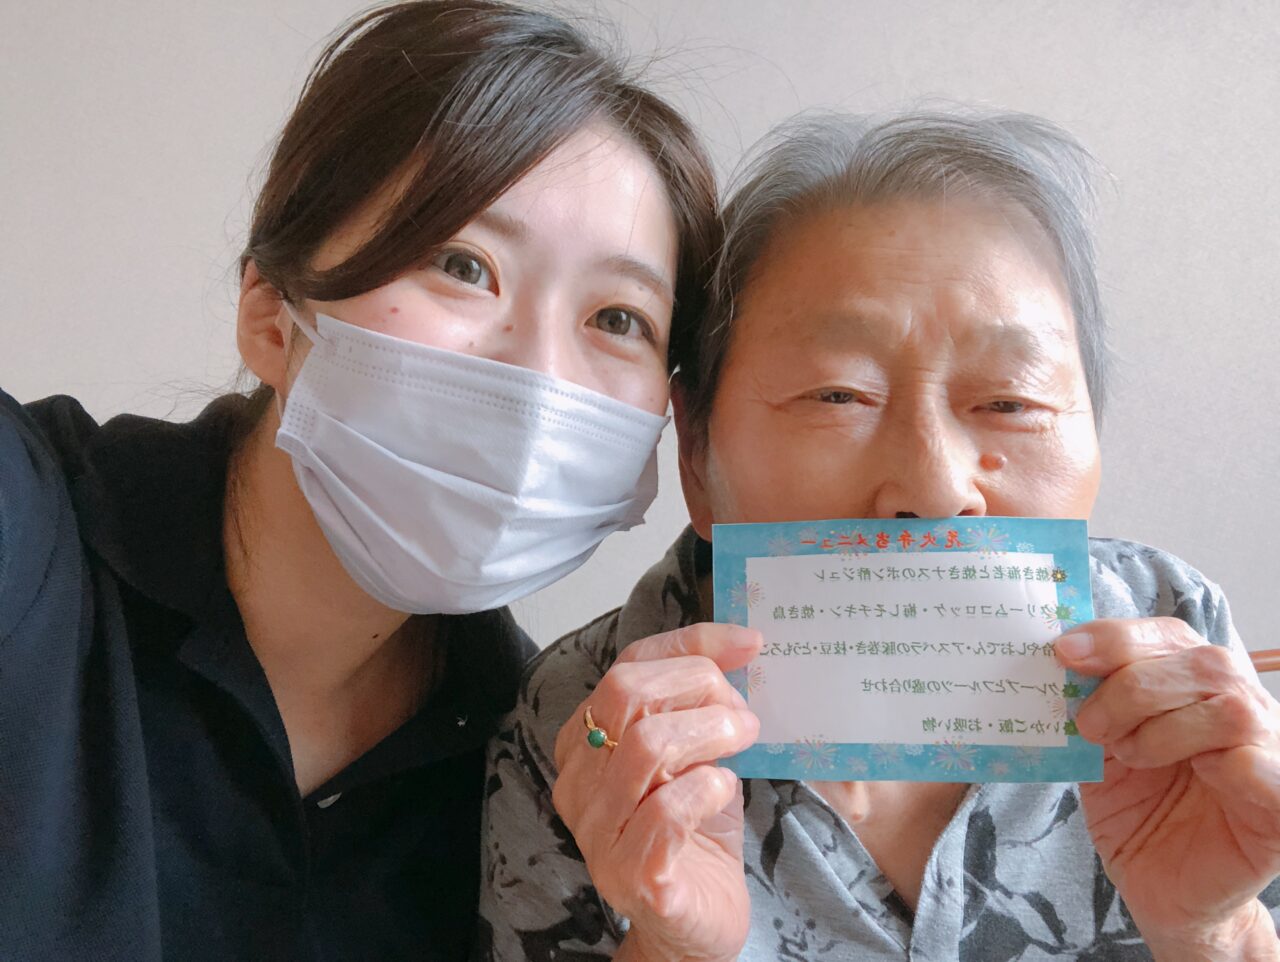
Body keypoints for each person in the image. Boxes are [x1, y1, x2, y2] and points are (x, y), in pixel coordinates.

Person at [0, 2, 720, 959]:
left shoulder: (535, 762)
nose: (541, 376)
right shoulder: (30, 536)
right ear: (271, 315)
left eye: (618, 320)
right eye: (464, 265)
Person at [479, 110, 1280, 961]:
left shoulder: (1180, 635)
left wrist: (1212, 931)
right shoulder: (589, 723)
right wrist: (671, 949)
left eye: (1011, 401)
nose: (935, 490)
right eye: (838, 396)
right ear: (697, 455)